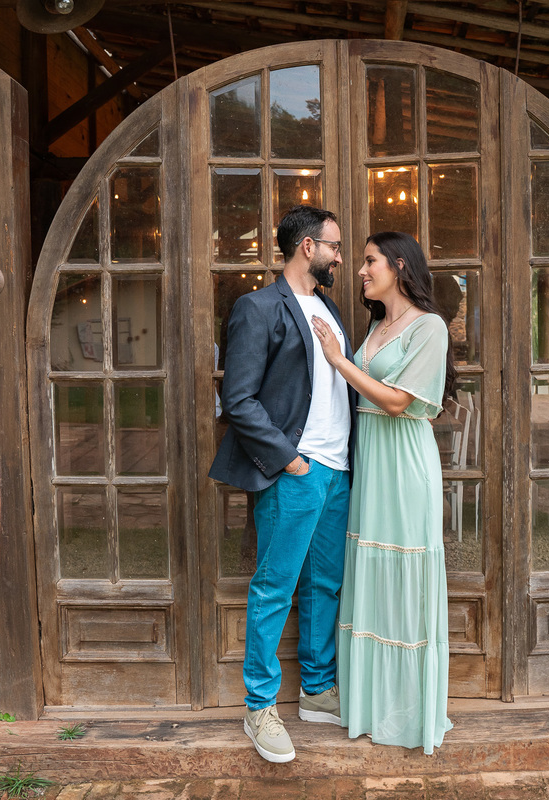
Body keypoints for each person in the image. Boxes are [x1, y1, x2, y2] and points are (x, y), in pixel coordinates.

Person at [208, 205, 357, 764]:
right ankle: (259, 706)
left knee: (325, 585)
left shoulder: (330, 307)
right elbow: (238, 399)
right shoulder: (259, 307)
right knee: (275, 587)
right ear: (306, 248)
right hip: (294, 471)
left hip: (338, 471)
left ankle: (318, 690)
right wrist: (290, 460)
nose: (341, 256)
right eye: (334, 246)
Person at [311, 230, 458, 755]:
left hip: (405, 468)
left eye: (370, 261)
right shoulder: (376, 324)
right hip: (370, 466)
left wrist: (338, 360)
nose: (361, 269)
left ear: (399, 265)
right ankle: (373, 705)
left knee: (404, 577)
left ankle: (410, 711)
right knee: (369, 577)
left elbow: (397, 402)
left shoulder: (430, 327)